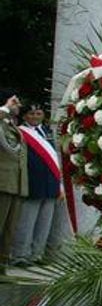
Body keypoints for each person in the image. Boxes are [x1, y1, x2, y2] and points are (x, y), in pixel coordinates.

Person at [11, 104, 60, 266]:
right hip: (31, 181)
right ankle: (20, 255)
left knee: (45, 222)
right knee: (26, 221)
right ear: (25, 116)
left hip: (50, 182)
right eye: (31, 113)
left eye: (38, 113)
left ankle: (37, 254)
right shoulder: (19, 132)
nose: (35, 116)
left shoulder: (47, 132)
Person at [0, 91, 26, 273]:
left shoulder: (12, 125)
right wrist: (5, 108)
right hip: (2, 182)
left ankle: (2, 266)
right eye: (14, 102)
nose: (18, 105)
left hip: (15, 183)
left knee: (9, 229)